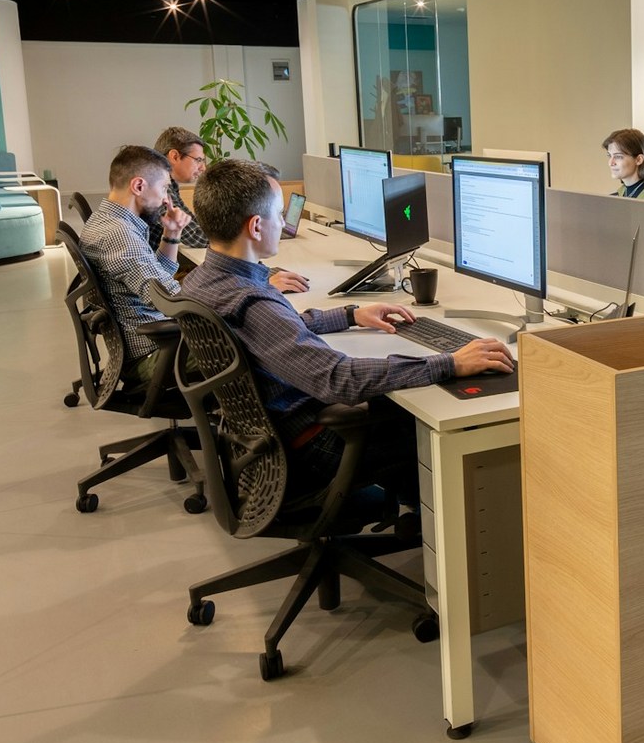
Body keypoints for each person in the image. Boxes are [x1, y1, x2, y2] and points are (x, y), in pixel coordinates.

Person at [181, 159, 513, 496]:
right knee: (439, 419)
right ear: (255, 227)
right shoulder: (253, 302)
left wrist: (350, 315)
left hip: (266, 437)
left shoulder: (201, 280)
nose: (282, 222)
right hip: (312, 446)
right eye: (279, 215)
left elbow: (273, 332)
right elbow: (338, 379)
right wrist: (451, 363)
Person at [153, 124, 308, 293]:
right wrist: (240, 233)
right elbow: (197, 237)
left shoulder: (168, 186)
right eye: (198, 160)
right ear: (175, 156)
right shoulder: (160, 192)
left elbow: (195, 224)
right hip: (163, 283)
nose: (203, 167)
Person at [81, 145, 187, 385]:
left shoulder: (107, 220)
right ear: (138, 186)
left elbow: (155, 277)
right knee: (246, 342)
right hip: (152, 353)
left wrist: (172, 235)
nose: (165, 199)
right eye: (164, 188)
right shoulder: (119, 235)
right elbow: (167, 299)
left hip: (153, 341)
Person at [603, 128, 644, 199]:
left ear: (639, 160)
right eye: (609, 155)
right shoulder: (615, 196)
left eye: (618, 156)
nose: (610, 163)